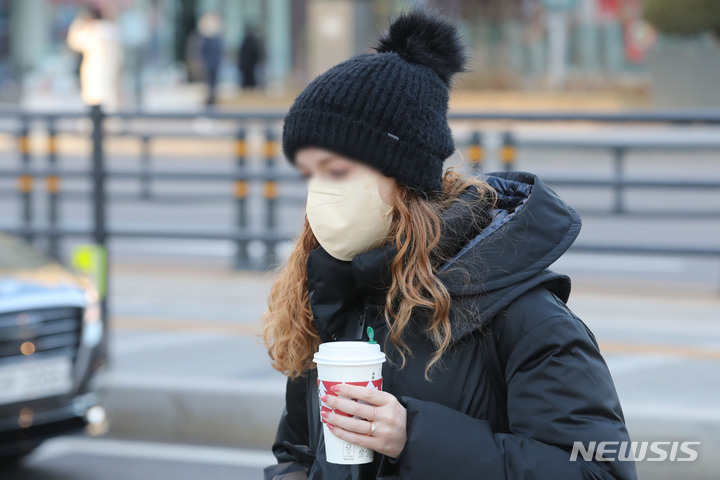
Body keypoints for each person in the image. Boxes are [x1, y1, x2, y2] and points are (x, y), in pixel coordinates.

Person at [262, 9, 637, 480]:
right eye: (311, 172)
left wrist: (413, 437)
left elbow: (599, 471)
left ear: (406, 178)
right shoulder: (337, 294)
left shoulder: (523, 316)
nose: (320, 192)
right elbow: (295, 455)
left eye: (338, 171)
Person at [67, 5, 123, 111]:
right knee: (110, 110)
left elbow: (73, 40)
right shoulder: (113, 32)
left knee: (95, 113)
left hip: (95, 80)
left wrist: (81, 19)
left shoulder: (94, 32)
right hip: (108, 79)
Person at [197, 12, 223, 107]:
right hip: (208, 66)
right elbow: (203, 53)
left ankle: (212, 104)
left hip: (214, 66)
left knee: (213, 87)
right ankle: (208, 105)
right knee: (208, 87)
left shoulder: (217, 38)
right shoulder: (206, 39)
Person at [238, 24, 263, 89]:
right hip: (248, 65)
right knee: (248, 79)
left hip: (248, 65)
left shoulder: (248, 40)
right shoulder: (250, 40)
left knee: (249, 79)